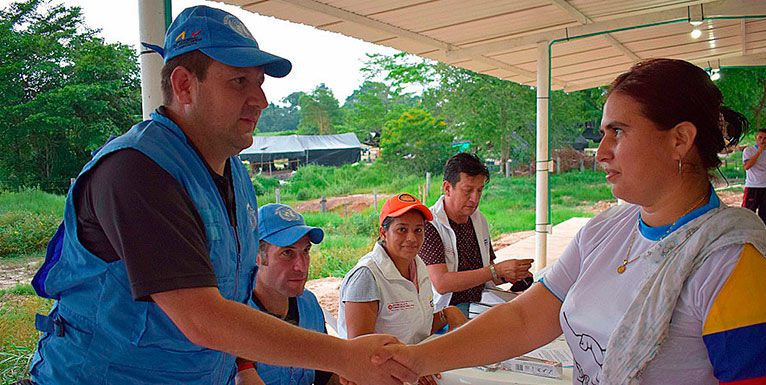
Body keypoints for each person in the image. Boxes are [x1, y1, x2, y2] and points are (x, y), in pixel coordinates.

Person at [24, 6, 415, 385]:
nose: (261, 100)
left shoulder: (234, 175)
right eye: (238, 82)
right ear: (183, 85)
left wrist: (244, 368)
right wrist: (343, 355)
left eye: (260, 84)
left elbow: (234, 295)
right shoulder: (136, 172)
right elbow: (203, 318)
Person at [374, 59, 766, 385]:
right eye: (603, 133)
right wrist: (419, 360)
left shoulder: (739, 264)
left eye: (618, 132)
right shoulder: (604, 232)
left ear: (680, 139)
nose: (601, 152)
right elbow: (525, 320)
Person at [338, 193, 469, 385]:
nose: (412, 238)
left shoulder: (419, 265)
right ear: (383, 232)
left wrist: (447, 315)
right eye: (402, 230)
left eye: (418, 230)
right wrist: (411, 366)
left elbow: (414, 326)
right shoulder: (367, 276)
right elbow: (362, 353)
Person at [234, 203, 340, 385]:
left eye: (306, 251)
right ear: (256, 256)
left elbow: (325, 374)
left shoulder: (308, 304)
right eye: (287, 253)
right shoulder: (236, 314)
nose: (301, 266)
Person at [418, 153, 533, 316]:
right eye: (468, 190)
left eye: (479, 190)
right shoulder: (430, 224)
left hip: (480, 301)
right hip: (445, 312)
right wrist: (496, 271)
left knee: (530, 309)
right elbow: (441, 283)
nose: (475, 198)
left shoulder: (478, 219)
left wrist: (510, 275)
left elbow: (488, 274)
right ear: (447, 188)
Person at [742, 128, 766, 224]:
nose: (762, 140)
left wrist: (765, 177)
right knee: (748, 214)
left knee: (765, 216)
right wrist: (759, 152)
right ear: (755, 138)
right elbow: (747, 166)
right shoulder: (748, 150)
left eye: (765, 138)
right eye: (760, 137)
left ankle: (763, 235)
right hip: (752, 187)